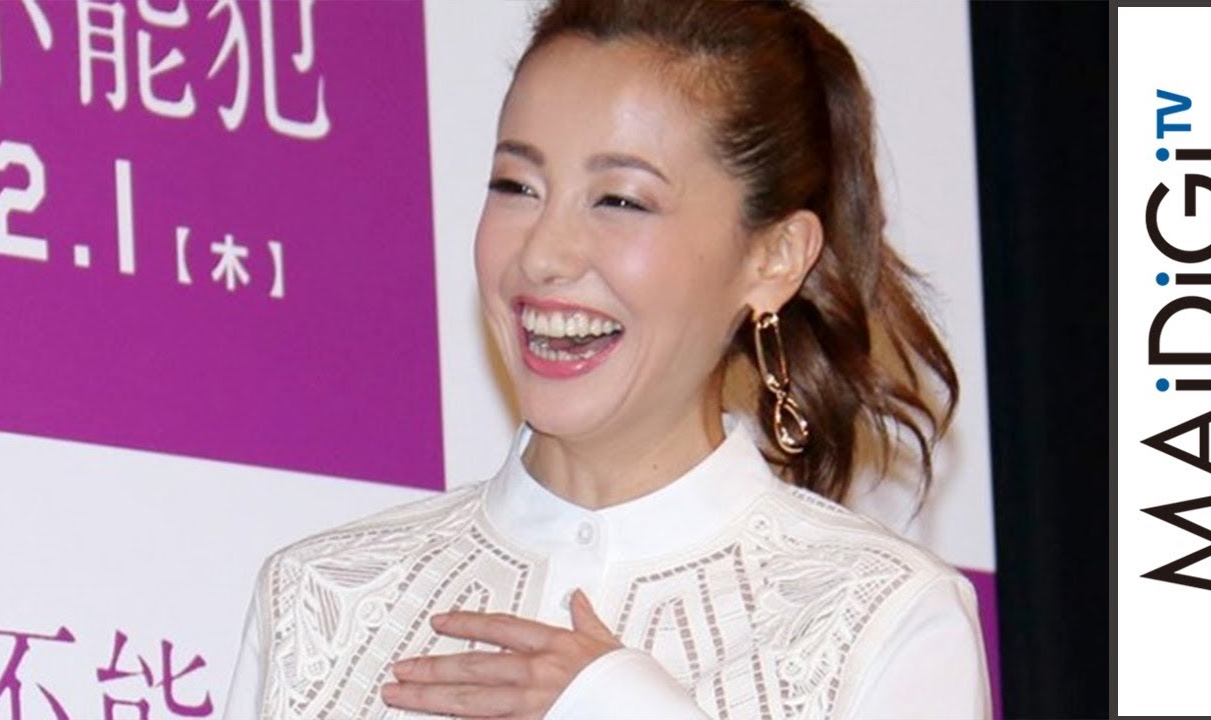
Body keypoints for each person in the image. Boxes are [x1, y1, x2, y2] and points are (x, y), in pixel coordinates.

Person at [224, 0, 990, 717]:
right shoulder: (320, 598)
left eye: (619, 200)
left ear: (775, 257)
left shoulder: (883, 616)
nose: (543, 256)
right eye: (516, 186)